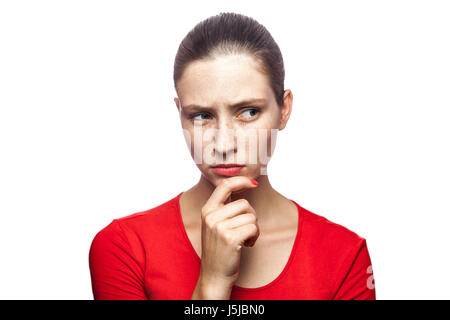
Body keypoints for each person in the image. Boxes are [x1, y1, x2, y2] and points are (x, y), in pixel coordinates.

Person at [88, 12, 376, 300]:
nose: (224, 144)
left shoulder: (344, 256)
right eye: (201, 116)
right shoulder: (125, 247)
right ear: (180, 114)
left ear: (284, 110)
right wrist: (213, 282)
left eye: (249, 112)